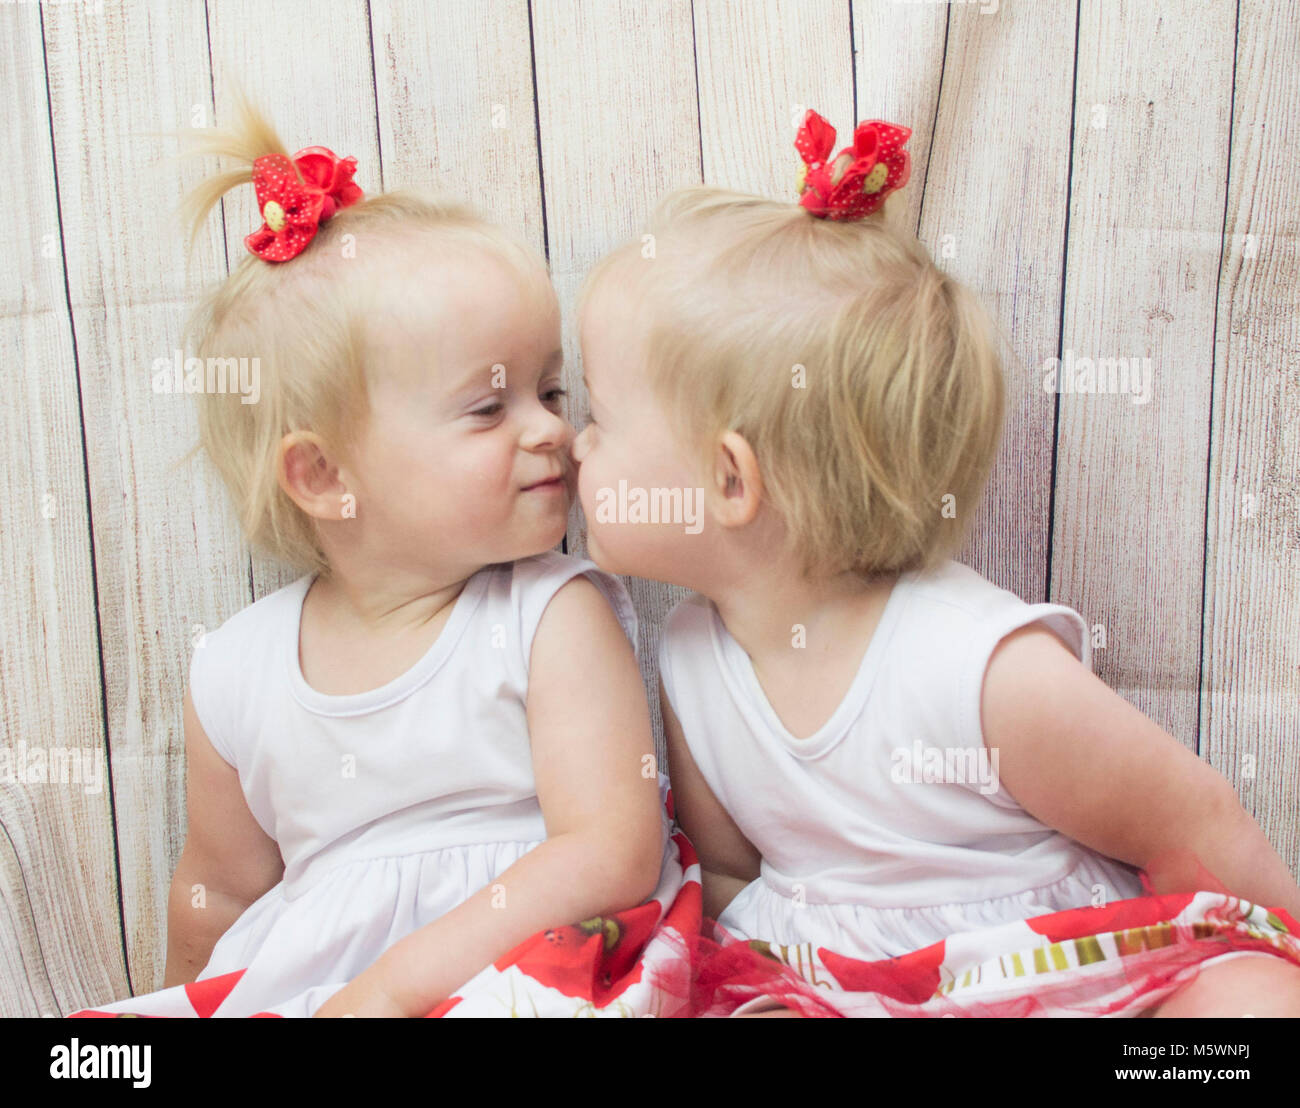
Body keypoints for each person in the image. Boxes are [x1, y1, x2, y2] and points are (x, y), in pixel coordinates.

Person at [567, 109, 1300, 1017]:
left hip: (1047, 982)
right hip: (834, 987)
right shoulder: (690, 655)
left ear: (729, 479)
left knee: (1251, 1006)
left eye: (598, 417)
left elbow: (1193, 819)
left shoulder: (974, 666)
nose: (574, 447)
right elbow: (725, 870)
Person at [68, 89, 701, 1019]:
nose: (552, 433)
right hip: (323, 991)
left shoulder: (549, 614)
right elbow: (222, 891)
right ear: (323, 475)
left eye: (551, 392)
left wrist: (399, 987)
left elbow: (610, 852)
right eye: (489, 408)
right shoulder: (238, 668)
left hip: (527, 966)